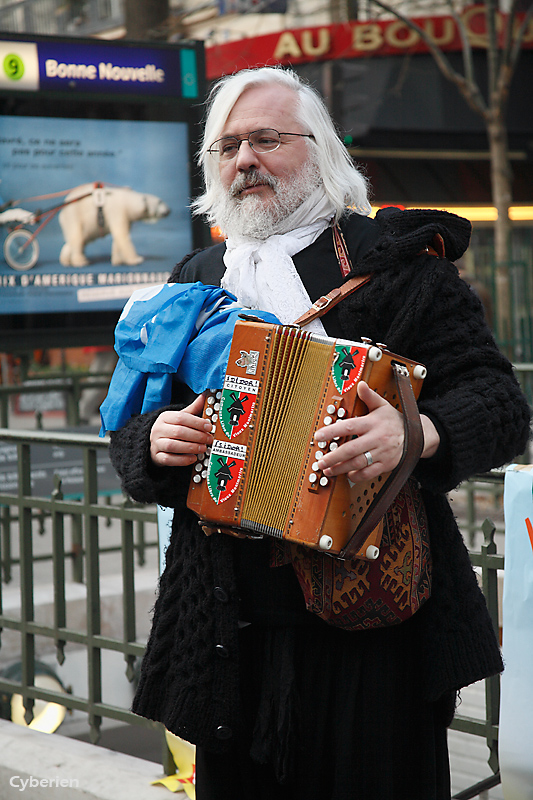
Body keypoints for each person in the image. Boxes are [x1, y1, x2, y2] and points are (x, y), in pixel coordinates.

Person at [107, 67, 531, 800]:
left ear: (322, 151)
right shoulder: (193, 277)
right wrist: (153, 442)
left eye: (267, 139)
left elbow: (501, 403)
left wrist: (418, 432)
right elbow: (130, 433)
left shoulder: (395, 268)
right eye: (227, 147)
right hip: (224, 622)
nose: (245, 159)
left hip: (370, 623)